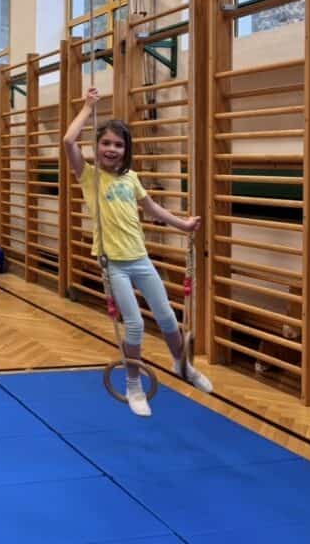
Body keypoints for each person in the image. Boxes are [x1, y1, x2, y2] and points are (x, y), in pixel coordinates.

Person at [63, 87, 211, 417]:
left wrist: (183, 225)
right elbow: (69, 141)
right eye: (106, 143)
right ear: (97, 147)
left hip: (140, 258)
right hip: (113, 264)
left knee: (167, 316)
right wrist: (87, 107)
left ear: (126, 149)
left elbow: (153, 208)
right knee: (135, 325)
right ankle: (133, 385)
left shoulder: (131, 179)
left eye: (118, 144)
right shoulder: (89, 176)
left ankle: (181, 365)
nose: (111, 149)